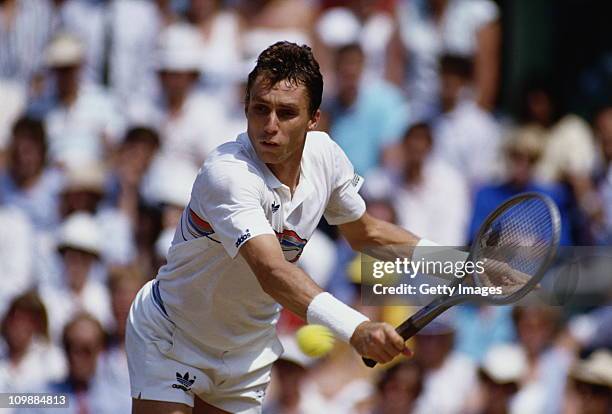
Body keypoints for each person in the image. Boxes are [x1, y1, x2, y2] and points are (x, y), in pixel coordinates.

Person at [126, 41, 520, 414]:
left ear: (314, 118)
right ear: (245, 107)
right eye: (260, 109)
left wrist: (461, 264)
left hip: (244, 354)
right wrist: (357, 329)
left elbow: (367, 234)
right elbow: (272, 271)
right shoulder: (228, 175)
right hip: (171, 339)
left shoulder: (326, 158)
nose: (270, 125)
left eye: (287, 112)